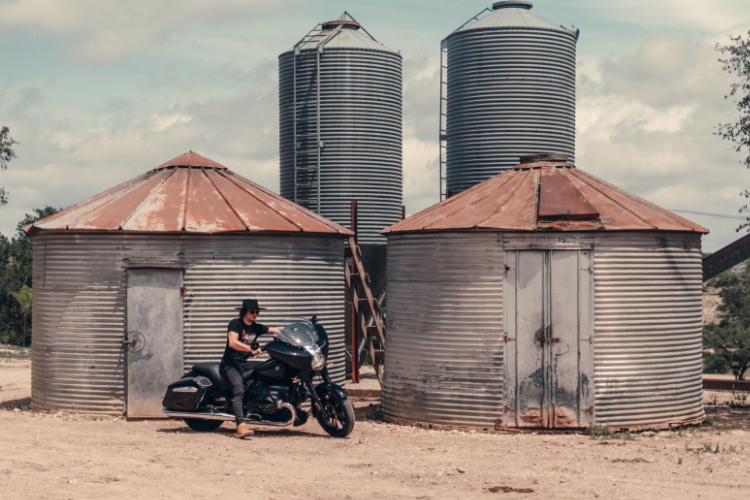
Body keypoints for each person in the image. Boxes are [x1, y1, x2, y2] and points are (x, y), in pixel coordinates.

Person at [220, 299, 282, 439]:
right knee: (238, 389)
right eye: (252, 312)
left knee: (271, 368)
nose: (255, 314)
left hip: (244, 364)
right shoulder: (235, 324)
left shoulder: (256, 327)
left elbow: (276, 330)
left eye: (257, 312)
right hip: (230, 365)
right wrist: (250, 348)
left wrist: (296, 329)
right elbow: (233, 342)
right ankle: (240, 426)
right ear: (244, 312)